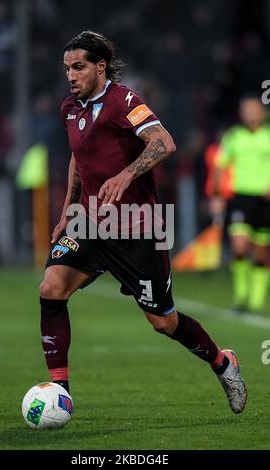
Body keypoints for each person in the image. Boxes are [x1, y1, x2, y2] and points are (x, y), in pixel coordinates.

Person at [39, 30, 247, 414]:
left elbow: (163, 142)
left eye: (79, 67)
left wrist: (126, 174)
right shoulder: (70, 107)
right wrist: (68, 210)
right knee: (52, 288)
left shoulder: (125, 101)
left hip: (138, 229)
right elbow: (77, 158)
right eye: (67, 68)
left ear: (101, 67)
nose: (70, 75)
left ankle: (222, 361)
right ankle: (59, 390)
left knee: (162, 322)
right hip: (89, 224)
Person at [213, 96, 270, 313]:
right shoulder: (233, 136)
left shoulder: (268, 135)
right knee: (239, 247)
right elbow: (220, 165)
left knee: (261, 253)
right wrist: (217, 195)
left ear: (261, 112)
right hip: (241, 197)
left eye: (254, 110)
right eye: (246, 110)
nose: (250, 114)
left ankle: (256, 300)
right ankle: (240, 295)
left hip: (265, 201)